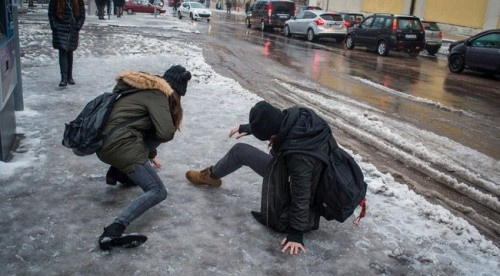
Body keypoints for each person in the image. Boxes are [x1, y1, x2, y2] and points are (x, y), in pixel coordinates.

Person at [186, 101, 332, 255]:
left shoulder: (298, 157)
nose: (268, 142)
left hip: (302, 187)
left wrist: (296, 233)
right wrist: (250, 128)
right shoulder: (300, 117)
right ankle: (211, 176)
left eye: (268, 138)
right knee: (241, 150)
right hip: (300, 175)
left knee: (240, 150)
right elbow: (275, 123)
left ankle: (211, 176)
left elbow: (302, 194)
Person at [96, 65, 192, 250]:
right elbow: (165, 133)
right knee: (157, 191)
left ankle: (118, 173)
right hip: (121, 147)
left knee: (149, 133)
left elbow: (138, 123)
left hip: (106, 144)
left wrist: (151, 153)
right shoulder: (159, 95)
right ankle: (114, 229)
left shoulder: (147, 89)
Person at [48, 0, 85, 87]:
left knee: (70, 51)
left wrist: (77, 26)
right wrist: (54, 26)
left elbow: (82, 15)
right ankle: (64, 78)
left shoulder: (78, 1)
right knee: (63, 52)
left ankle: (69, 76)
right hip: (60, 29)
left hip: (72, 29)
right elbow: (51, 13)